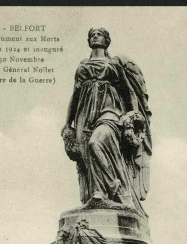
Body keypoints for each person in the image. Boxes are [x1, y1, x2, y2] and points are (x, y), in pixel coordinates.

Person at [61, 28, 152, 212]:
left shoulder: (114, 64)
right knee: (87, 159)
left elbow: (128, 91)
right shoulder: (83, 66)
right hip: (84, 115)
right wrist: (67, 123)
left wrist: (134, 115)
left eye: (99, 34)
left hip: (110, 111)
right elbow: (75, 95)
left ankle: (114, 186)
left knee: (96, 142)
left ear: (106, 40)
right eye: (92, 34)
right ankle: (98, 194)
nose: (95, 36)